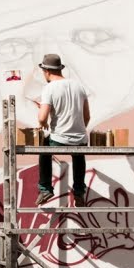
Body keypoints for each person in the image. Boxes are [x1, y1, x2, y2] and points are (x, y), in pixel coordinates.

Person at [35, 53, 90, 207]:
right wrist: (77, 130)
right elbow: (87, 116)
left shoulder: (49, 88)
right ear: (60, 69)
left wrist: (42, 115)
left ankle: (45, 188)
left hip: (58, 139)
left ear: (46, 71)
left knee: (44, 147)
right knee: (79, 153)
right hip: (80, 138)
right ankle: (79, 191)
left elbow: (42, 119)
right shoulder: (79, 86)